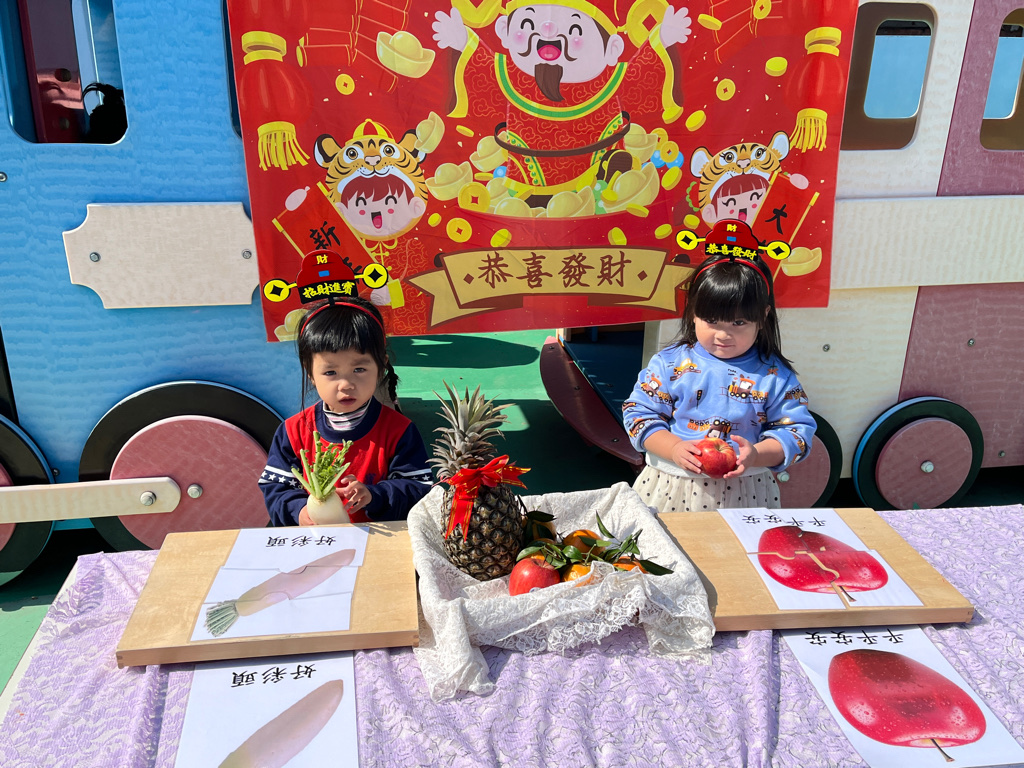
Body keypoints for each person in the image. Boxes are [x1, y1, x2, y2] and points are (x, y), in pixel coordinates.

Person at [622, 247, 816, 513]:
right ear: (693, 312)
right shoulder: (669, 364)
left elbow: (797, 432)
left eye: (738, 323)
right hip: (670, 485)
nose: (723, 334)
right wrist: (674, 448)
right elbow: (639, 415)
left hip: (746, 493)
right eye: (712, 320)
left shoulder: (775, 376)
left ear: (763, 317)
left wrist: (757, 455)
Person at [259, 296, 433, 525]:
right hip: (316, 540)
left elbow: (418, 489)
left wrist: (374, 495)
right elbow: (276, 488)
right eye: (330, 372)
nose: (346, 384)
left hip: (379, 541)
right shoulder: (292, 432)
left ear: (381, 366)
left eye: (359, 369)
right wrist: (299, 511)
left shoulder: (399, 431)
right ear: (310, 373)